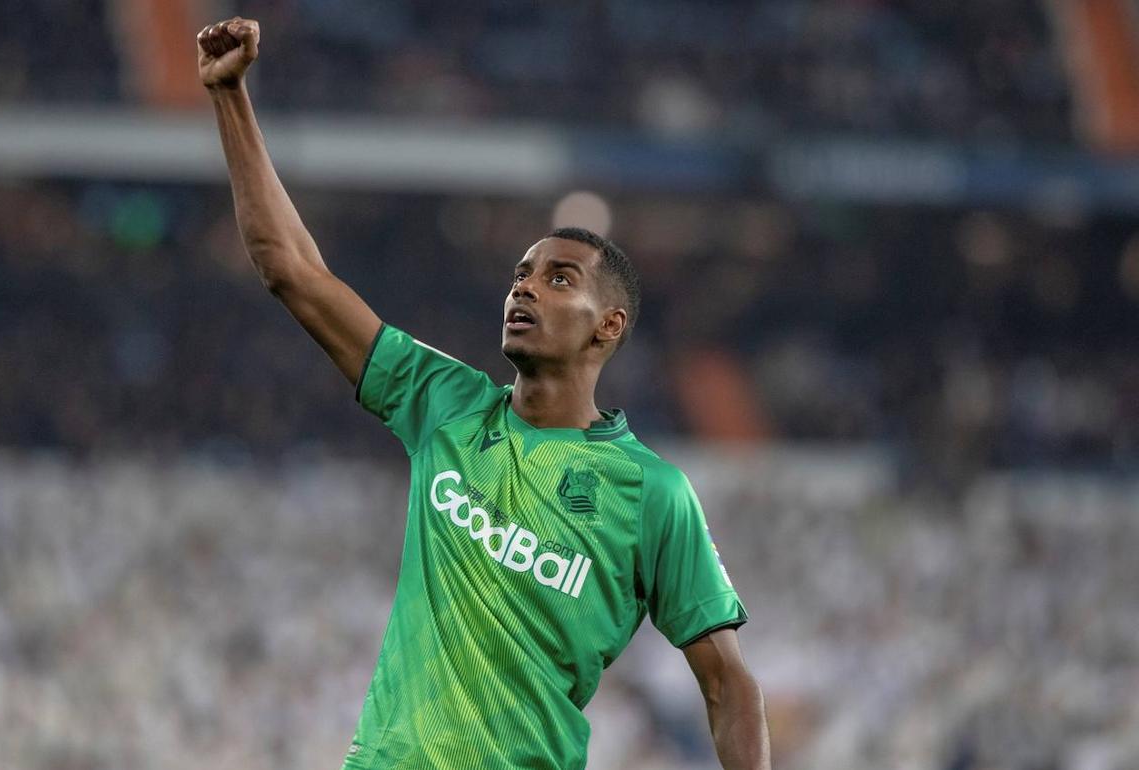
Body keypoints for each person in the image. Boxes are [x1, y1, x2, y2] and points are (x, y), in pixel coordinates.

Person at [197, 17, 771, 770]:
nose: (525, 288)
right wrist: (231, 96)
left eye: (558, 278)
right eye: (520, 275)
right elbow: (289, 269)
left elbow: (730, 687)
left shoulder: (653, 495)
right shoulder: (445, 400)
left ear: (608, 327)